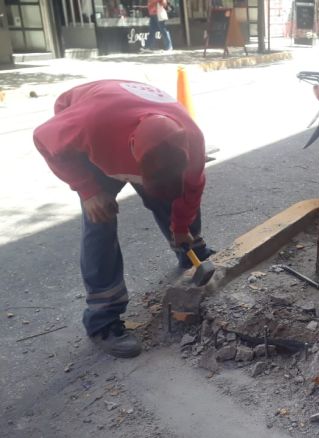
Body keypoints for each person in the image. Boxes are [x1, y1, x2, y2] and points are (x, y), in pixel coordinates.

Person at [32, 80, 214, 358]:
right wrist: (88, 189)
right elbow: (44, 139)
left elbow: (190, 190)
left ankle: (192, 254)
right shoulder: (92, 126)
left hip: (133, 133)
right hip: (98, 147)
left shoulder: (193, 140)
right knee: (100, 223)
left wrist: (180, 227)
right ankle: (102, 320)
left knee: (171, 201)